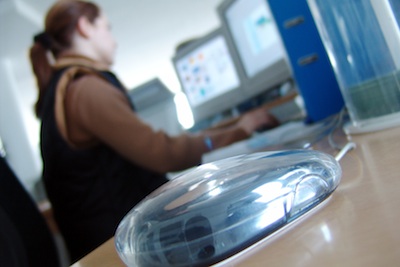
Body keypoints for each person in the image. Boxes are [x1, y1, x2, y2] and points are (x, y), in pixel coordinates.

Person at [29, 0, 279, 263]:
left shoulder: (62, 90)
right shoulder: (86, 88)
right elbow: (163, 153)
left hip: (105, 246)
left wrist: (233, 127)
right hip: (122, 248)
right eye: (106, 28)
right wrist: (238, 133)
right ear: (84, 27)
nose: (113, 41)